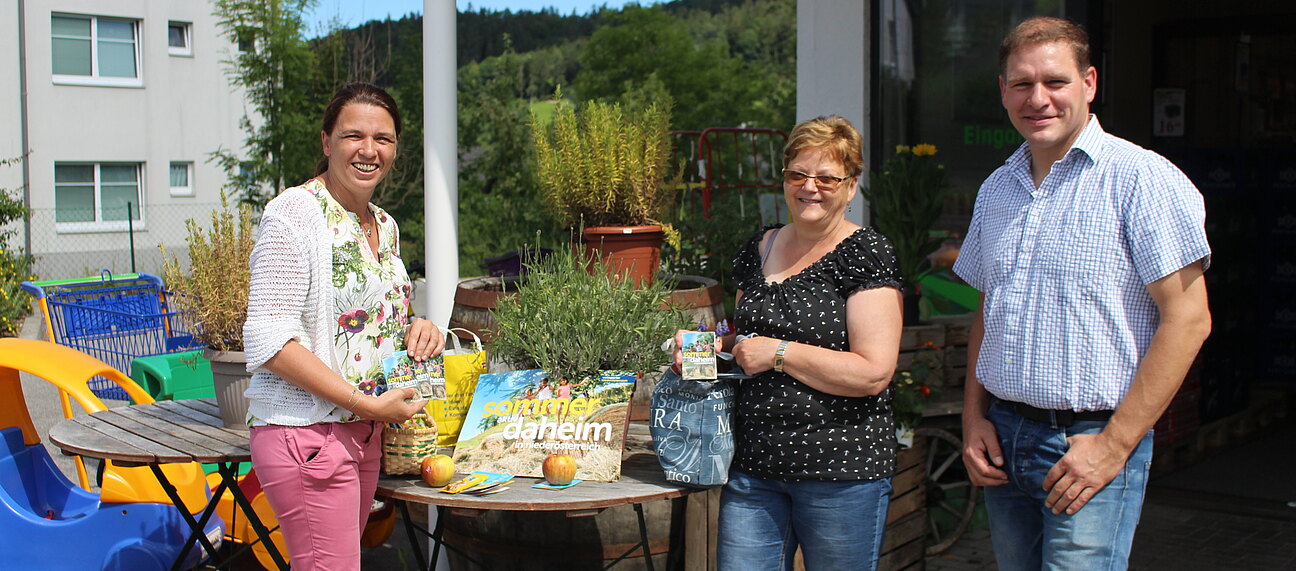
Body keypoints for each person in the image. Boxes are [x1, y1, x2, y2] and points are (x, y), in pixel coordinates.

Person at [954, 17, 1212, 570]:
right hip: (1003, 438)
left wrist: (1114, 446)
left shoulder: (1141, 179)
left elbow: (1189, 320)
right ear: (1003, 92)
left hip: (1088, 442)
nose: (1038, 98)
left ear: (1089, 83)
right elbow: (989, 310)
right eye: (1021, 84)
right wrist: (973, 419)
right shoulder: (998, 187)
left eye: (1055, 81)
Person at [676, 115, 904, 570]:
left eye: (826, 177)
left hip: (840, 470)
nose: (810, 187)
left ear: (851, 186)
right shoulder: (757, 248)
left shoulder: (865, 253)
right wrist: (699, 354)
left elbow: (873, 372)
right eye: (798, 174)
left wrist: (780, 353)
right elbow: (744, 345)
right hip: (755, 467)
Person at [243, 82, 445, 569]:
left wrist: (419, 326)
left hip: (364, 431)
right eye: (354, 135)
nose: (369, 150)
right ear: (326, 141)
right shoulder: (294, 214)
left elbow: (370, 320)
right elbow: (269, 338)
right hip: (309, 433)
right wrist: (363, 403)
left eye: (384, 138)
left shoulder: (385, 224)